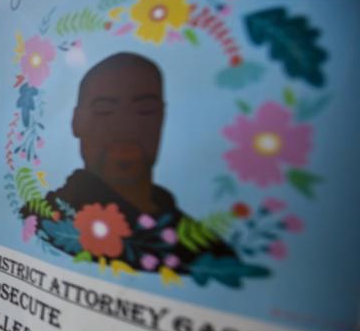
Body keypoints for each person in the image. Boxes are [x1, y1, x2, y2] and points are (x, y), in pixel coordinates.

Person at [34, 52, 237, 272]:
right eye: (104, 110)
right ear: (77, 121)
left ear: (161, 118)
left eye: (144, 110)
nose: (125, 128)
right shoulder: (39, 221)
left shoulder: (211, 256)